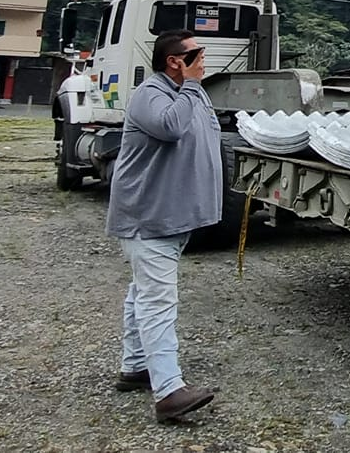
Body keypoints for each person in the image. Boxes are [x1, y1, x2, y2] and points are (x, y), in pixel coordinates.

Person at [105, 30, 222, 423]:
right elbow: (170, 127)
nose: (204, 59)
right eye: (197, 53)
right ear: (175, 61)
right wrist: (192, 86)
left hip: (171, 216)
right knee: (158, 301)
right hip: (148, 217)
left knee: (143, 292)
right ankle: (169, 391)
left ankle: (135, 365)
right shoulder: (150, 94)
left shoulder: (190, 93)